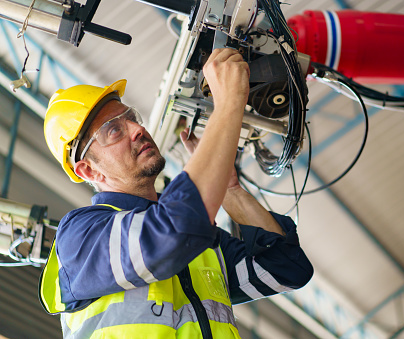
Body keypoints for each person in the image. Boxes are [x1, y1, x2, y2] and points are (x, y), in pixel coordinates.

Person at [39, 48, 313, 338]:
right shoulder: (81, 237)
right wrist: (228, 104)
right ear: (89, 171)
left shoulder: (202, 245)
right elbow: (171, 231)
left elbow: (286, 268)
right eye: (114, 131)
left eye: (131, 117)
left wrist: (230, 190)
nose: (137, 129)